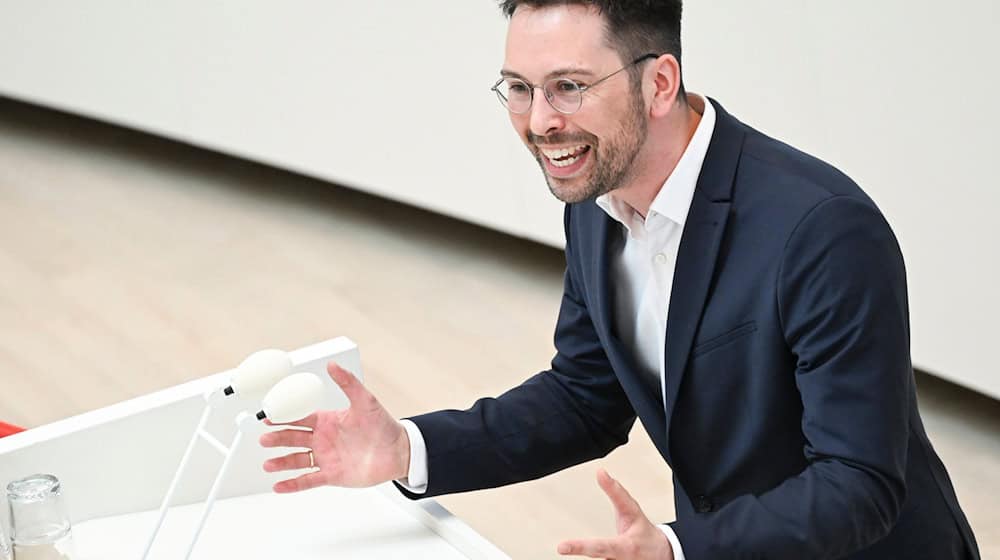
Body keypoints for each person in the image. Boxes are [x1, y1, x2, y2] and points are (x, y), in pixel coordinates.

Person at [260, 1, 981, 558]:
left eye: (568, 87)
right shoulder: (598, 195)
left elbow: (860, 484)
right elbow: (585, 398)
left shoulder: (822, 230)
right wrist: (409, 450)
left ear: (659, 82)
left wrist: (677, 545)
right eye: (519, 88)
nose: (540, 123)